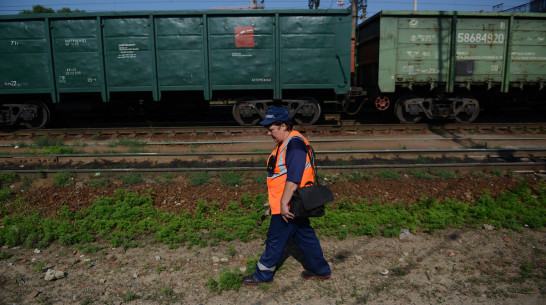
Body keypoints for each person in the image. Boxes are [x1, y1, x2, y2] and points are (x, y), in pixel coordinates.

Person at [242, 106, 331, 286]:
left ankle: (262, 275)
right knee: (304, 235)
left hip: (290, 203)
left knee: (275, 239)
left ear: (283, 126)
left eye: (271, 129)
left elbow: (294, 176)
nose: (269, 133)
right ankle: (321, 270)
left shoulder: (294, 144)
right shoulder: (287, 142)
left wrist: (283, 203)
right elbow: (280, 176)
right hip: (294, 202)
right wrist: (274, 199)